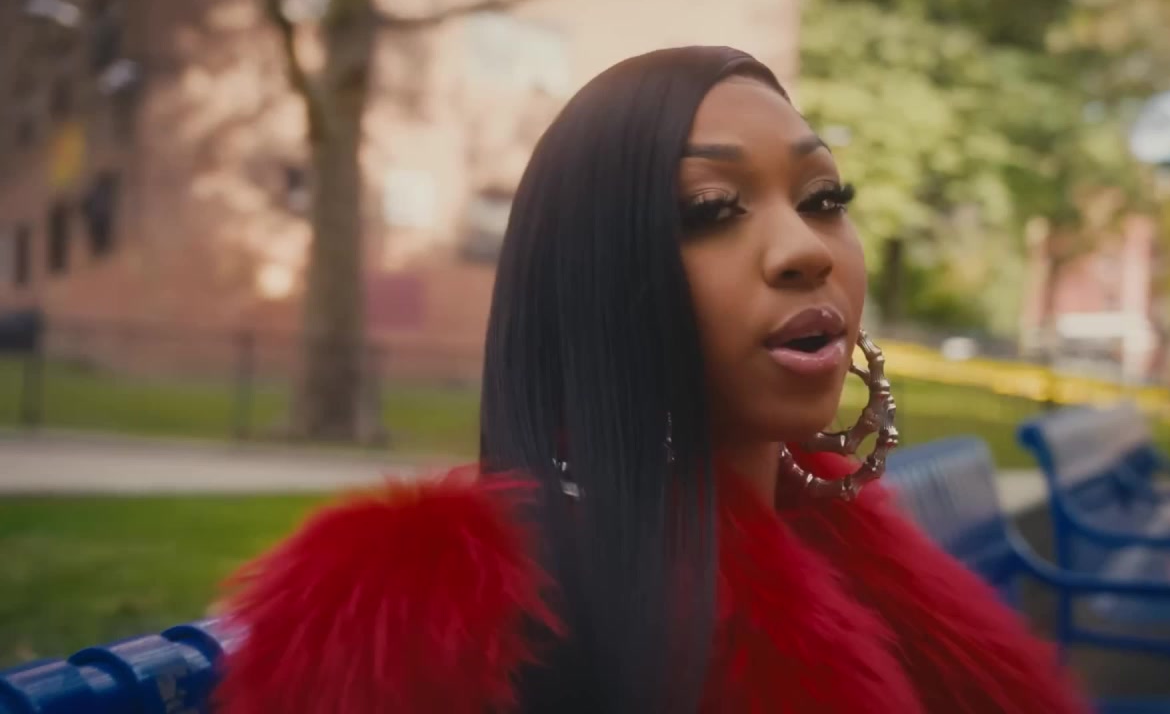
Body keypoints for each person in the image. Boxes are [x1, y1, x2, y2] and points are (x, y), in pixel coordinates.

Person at [214, 46, 1087, 714]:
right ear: (595, 280)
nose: (804, 249)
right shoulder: (438, 615)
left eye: (822, 198)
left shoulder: (841, 540)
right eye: (711, 210)